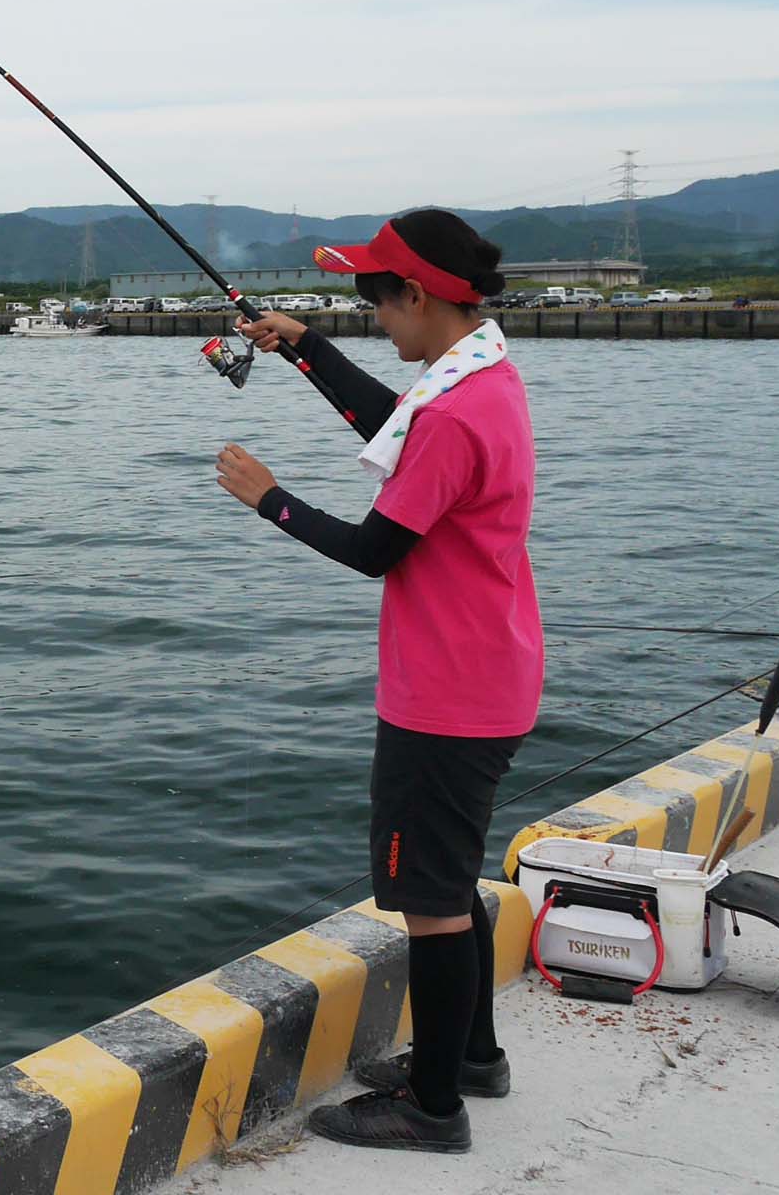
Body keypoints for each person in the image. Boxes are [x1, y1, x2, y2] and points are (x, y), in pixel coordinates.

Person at [211, 209, 542, 1155]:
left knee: (429, 904)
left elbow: (372, 550)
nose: (374, 318)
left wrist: (269, 499)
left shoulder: (453, 415)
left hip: (444, 694)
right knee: (452, 884)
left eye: (377, 301)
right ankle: (470, 1057)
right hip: (489, 672)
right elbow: (395, 425)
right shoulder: (483, 377)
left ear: (419, 295)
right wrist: (305, 348)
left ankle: (431, 1109)